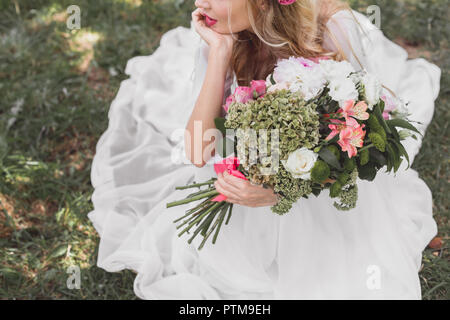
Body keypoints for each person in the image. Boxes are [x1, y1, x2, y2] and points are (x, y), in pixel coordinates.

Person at [88, 0, 441, 299]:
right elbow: (197, 151)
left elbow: (355, 140)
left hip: (322, 190)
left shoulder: (330, 33)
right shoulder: (223, 36)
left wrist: (278, 192)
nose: (200, 4)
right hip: (254, 175)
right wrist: (219, 54)